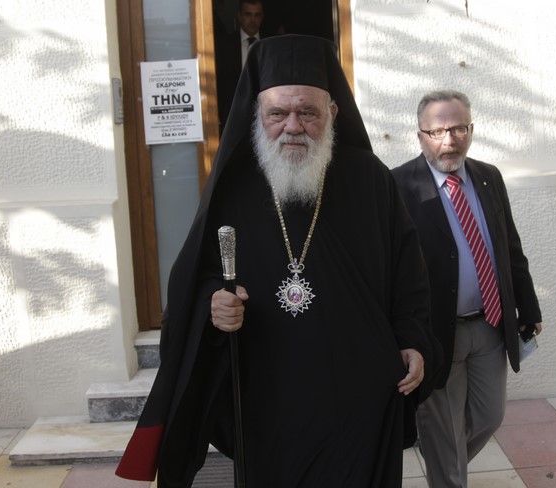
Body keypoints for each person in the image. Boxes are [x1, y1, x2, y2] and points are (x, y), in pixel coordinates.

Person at [116, 35, 441, 488]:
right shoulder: (233, 188)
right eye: (277, 113)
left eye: (308, 112)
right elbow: (200, 275)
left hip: (361, 397)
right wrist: (215, 302)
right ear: (257, 114)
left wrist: (413, 338)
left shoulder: (370, 179)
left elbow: (409, 274)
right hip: (267, 399)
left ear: (332, 113)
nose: (293, 126)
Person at [392, 90, 543, 488]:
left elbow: (509, 247)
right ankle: (446, 469)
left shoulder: (488, 177)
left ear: (471, 130)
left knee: (489, 415)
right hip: (435, 332)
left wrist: (528, 307)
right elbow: (389, 269)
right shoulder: (398, 185)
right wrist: (403, 335)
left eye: (459, 128)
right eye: (438, 130)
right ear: (421, 135)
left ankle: (443, 457)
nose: (450, 139)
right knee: (444, 435)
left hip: (489, 325)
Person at [214, 0, 265, 135]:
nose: (252, 20)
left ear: (262, 17)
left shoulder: (270, 44)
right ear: (239, 16)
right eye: (248, 14)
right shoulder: (224, 45)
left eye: (257, 15)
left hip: (265, 117)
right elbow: (217, 81)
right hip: (231, 117)